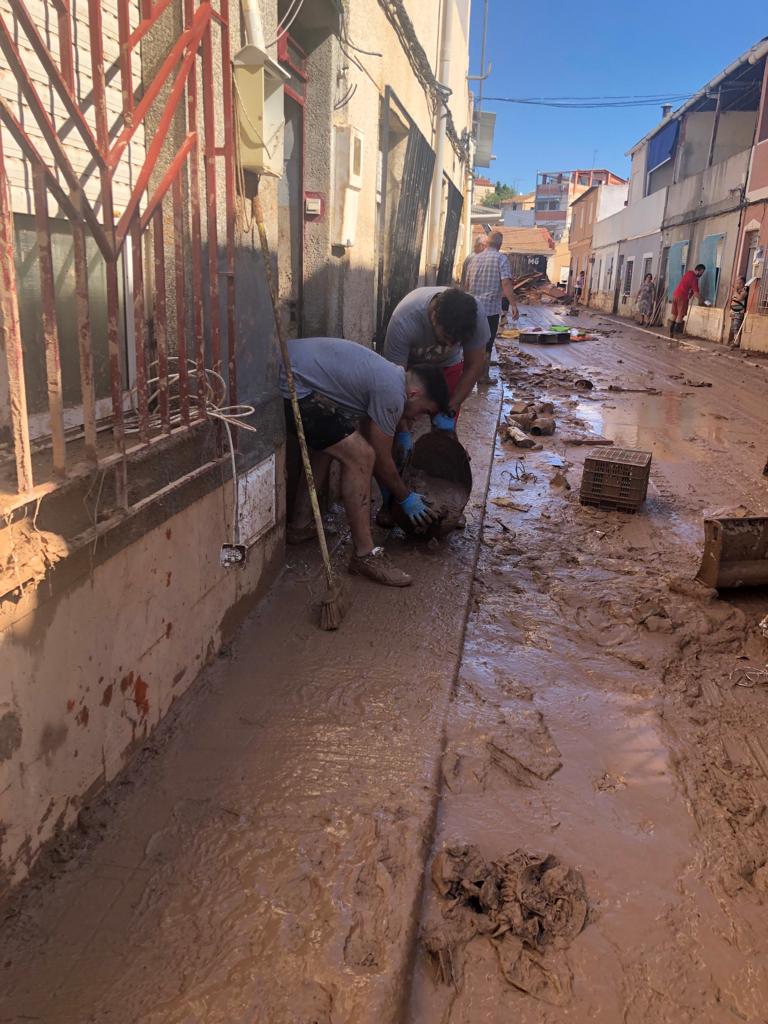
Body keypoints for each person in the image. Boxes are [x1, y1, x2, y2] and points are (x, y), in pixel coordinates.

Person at [281, 337, 449, 587]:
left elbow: (361, 429)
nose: (417, 418)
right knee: (362, 456)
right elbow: (379, 458)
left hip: (288, 369)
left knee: (332, 445)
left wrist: (401, 434)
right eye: (423, 411)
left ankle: (300, 525)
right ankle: (364, 555)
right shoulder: (392, 392)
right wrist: (405, 497)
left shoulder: (390, 375)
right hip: (287, 384)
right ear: (414, 394)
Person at [383, 286, 489, 431]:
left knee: (444, 433)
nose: (450, 345)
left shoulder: (475, 316)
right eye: (446, 338)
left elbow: (474, 365)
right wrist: (402, 428)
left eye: (456, 342)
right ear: (433, 316)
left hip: (449, 364)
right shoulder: (403, 321)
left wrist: (452, 407)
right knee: (400, 415)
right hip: (411, 367)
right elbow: (393, 384)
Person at [463, 230, 520, 384]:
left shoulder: (473, 260)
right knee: (487, 343)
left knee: (471, 342)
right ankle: (483, 376)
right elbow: (506, 283)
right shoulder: (501, 259)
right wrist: (513, 304)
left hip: (472, 308)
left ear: (487, 243)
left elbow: (467, 285)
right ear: (500, 244)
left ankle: (468, 375)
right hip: (490, 311)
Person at [670, 263, 705, 336]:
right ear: (698, 270)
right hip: (682, 297)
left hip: (675, 295)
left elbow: (688, 286)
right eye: (702, 272)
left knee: (675, 313)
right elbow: (696, 293)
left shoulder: (688, 273)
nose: (702, 274)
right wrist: (703, 300)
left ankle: (671, 331)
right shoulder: (694, 279)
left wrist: (691, 293)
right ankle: (676, 333)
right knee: (680, 314)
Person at [729, 276, 748, 344]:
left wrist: (735, 291)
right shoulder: (736, 291)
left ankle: (736, 342)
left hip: (739, 312)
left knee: (736, 327)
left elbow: (740, 298)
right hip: (734, 311)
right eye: (737, 283)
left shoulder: (744, 291)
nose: (738, 284)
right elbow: (733, 301)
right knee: (733, 327)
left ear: (743, 283)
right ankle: (734, 340)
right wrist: (731, 310)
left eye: (740, 283)